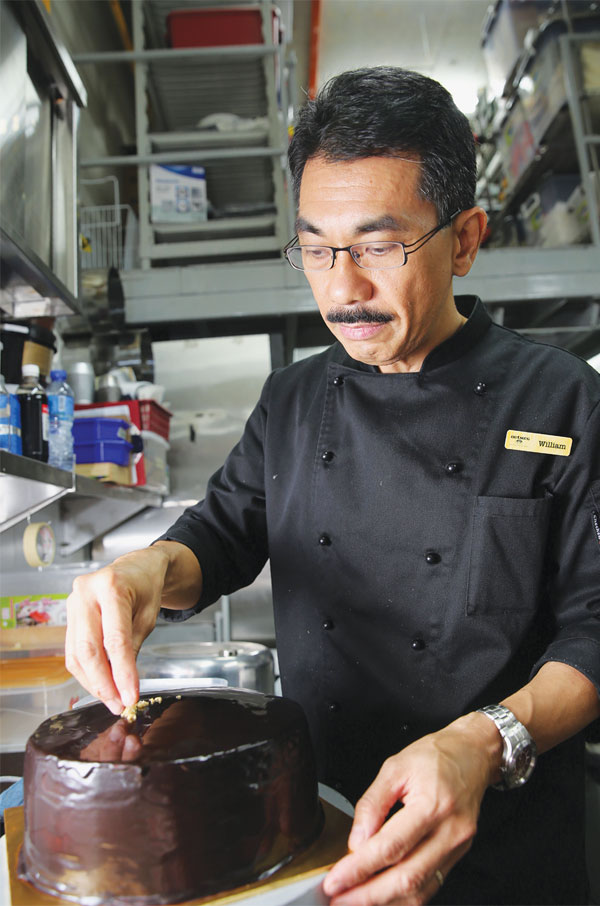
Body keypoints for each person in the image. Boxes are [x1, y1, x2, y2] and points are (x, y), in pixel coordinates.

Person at [65, 68, 600, 905]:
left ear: (464, 240)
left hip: (506, 844)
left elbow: (594, 628)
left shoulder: (563, 399)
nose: (342, 288)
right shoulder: (291, 398)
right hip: (318, 832)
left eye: (379, 246)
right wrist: (144, 571)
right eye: (317, 249)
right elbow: (222, 532)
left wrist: (485, 741)